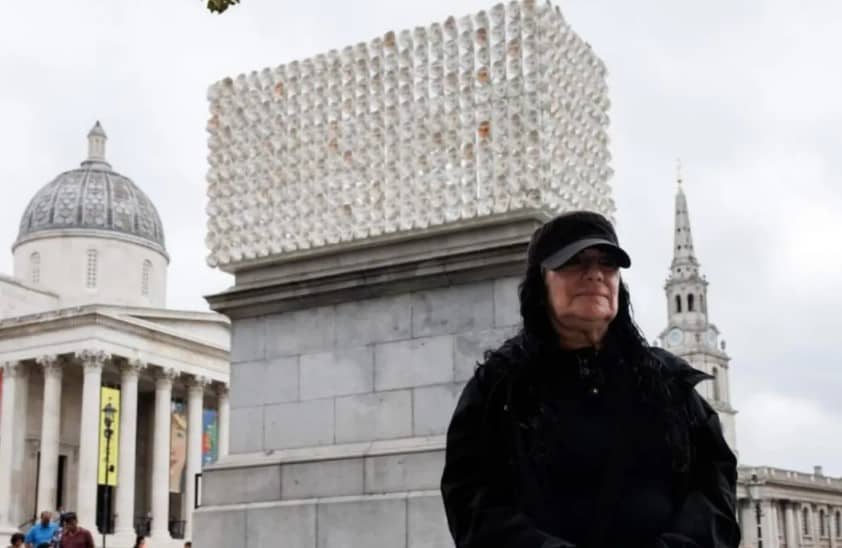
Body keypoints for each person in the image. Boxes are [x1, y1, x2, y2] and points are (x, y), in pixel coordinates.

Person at [440, 211, 740, 548]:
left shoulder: (669, 380)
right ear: (541, 282)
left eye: (607, 263)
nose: (595, 274)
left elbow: (715, 489)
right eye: (574, 262)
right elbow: (472, 502)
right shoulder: (498, 387)